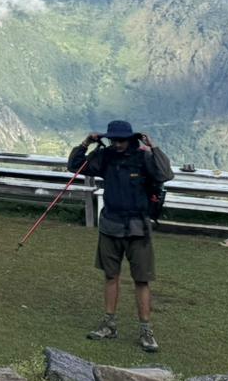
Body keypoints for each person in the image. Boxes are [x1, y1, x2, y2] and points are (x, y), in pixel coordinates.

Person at [68, 120, 174, 353]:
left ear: (131, 139)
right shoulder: (105, 158)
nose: (117, 144)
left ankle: (146, 331)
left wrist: (154, 147)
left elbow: (166, 174)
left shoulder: (145, 157)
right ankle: (109, 324)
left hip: (138, 228)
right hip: (111, 226)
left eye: (122, 140)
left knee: (142, 279)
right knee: (110, 275)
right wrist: (86, 143)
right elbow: (74, 166)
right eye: (114, 140)